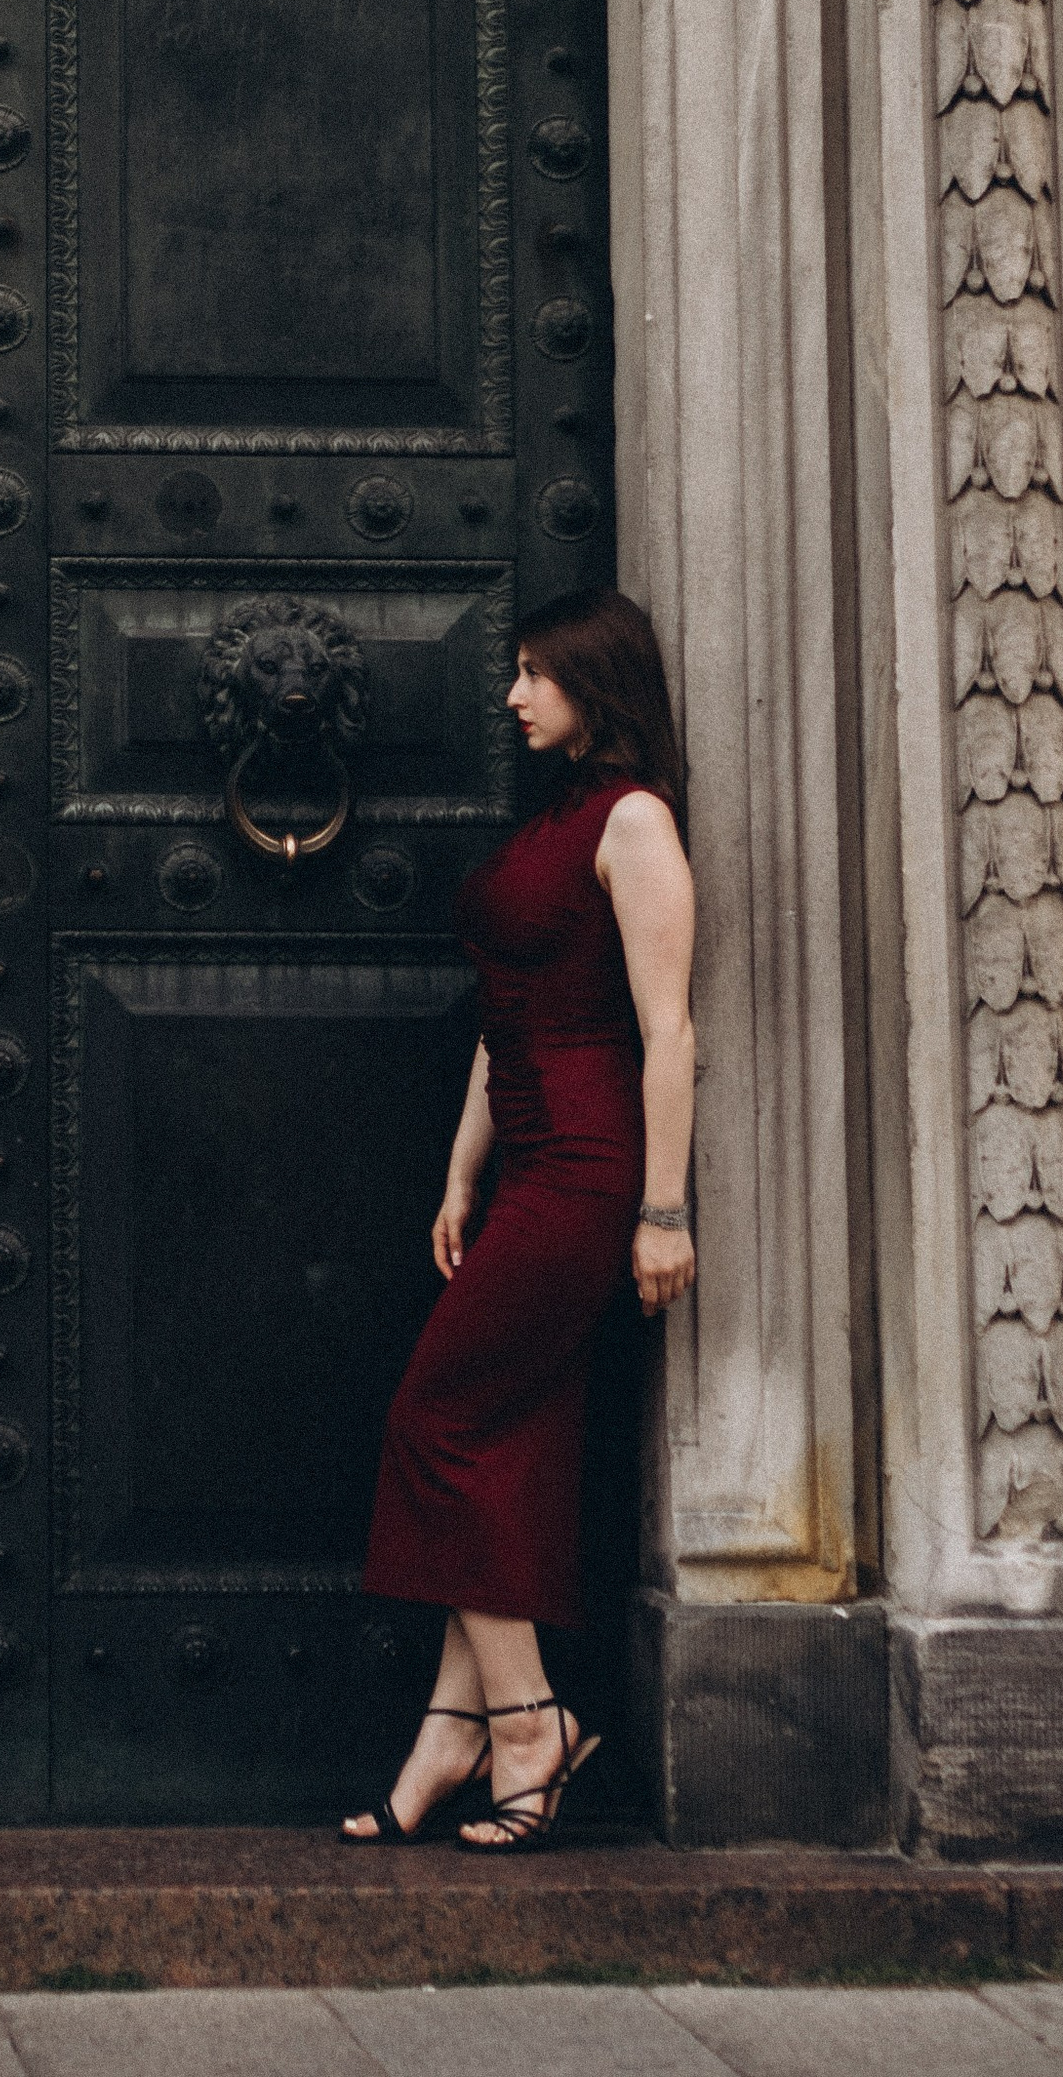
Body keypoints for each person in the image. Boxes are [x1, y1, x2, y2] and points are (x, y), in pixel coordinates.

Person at [344, 585, 697, 1853]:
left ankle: (527, 1720)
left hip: (593, 1172)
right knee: (504, 1443)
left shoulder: (634, 823)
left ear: (593, 684)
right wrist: (457, 1174)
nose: (510, 695)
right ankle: (455, 1726)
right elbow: (504, 1027)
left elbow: (669, 1033)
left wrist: (661, 1210)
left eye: (533, 674)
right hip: (527, 1158)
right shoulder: (557, 821)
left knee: (434, 1422)